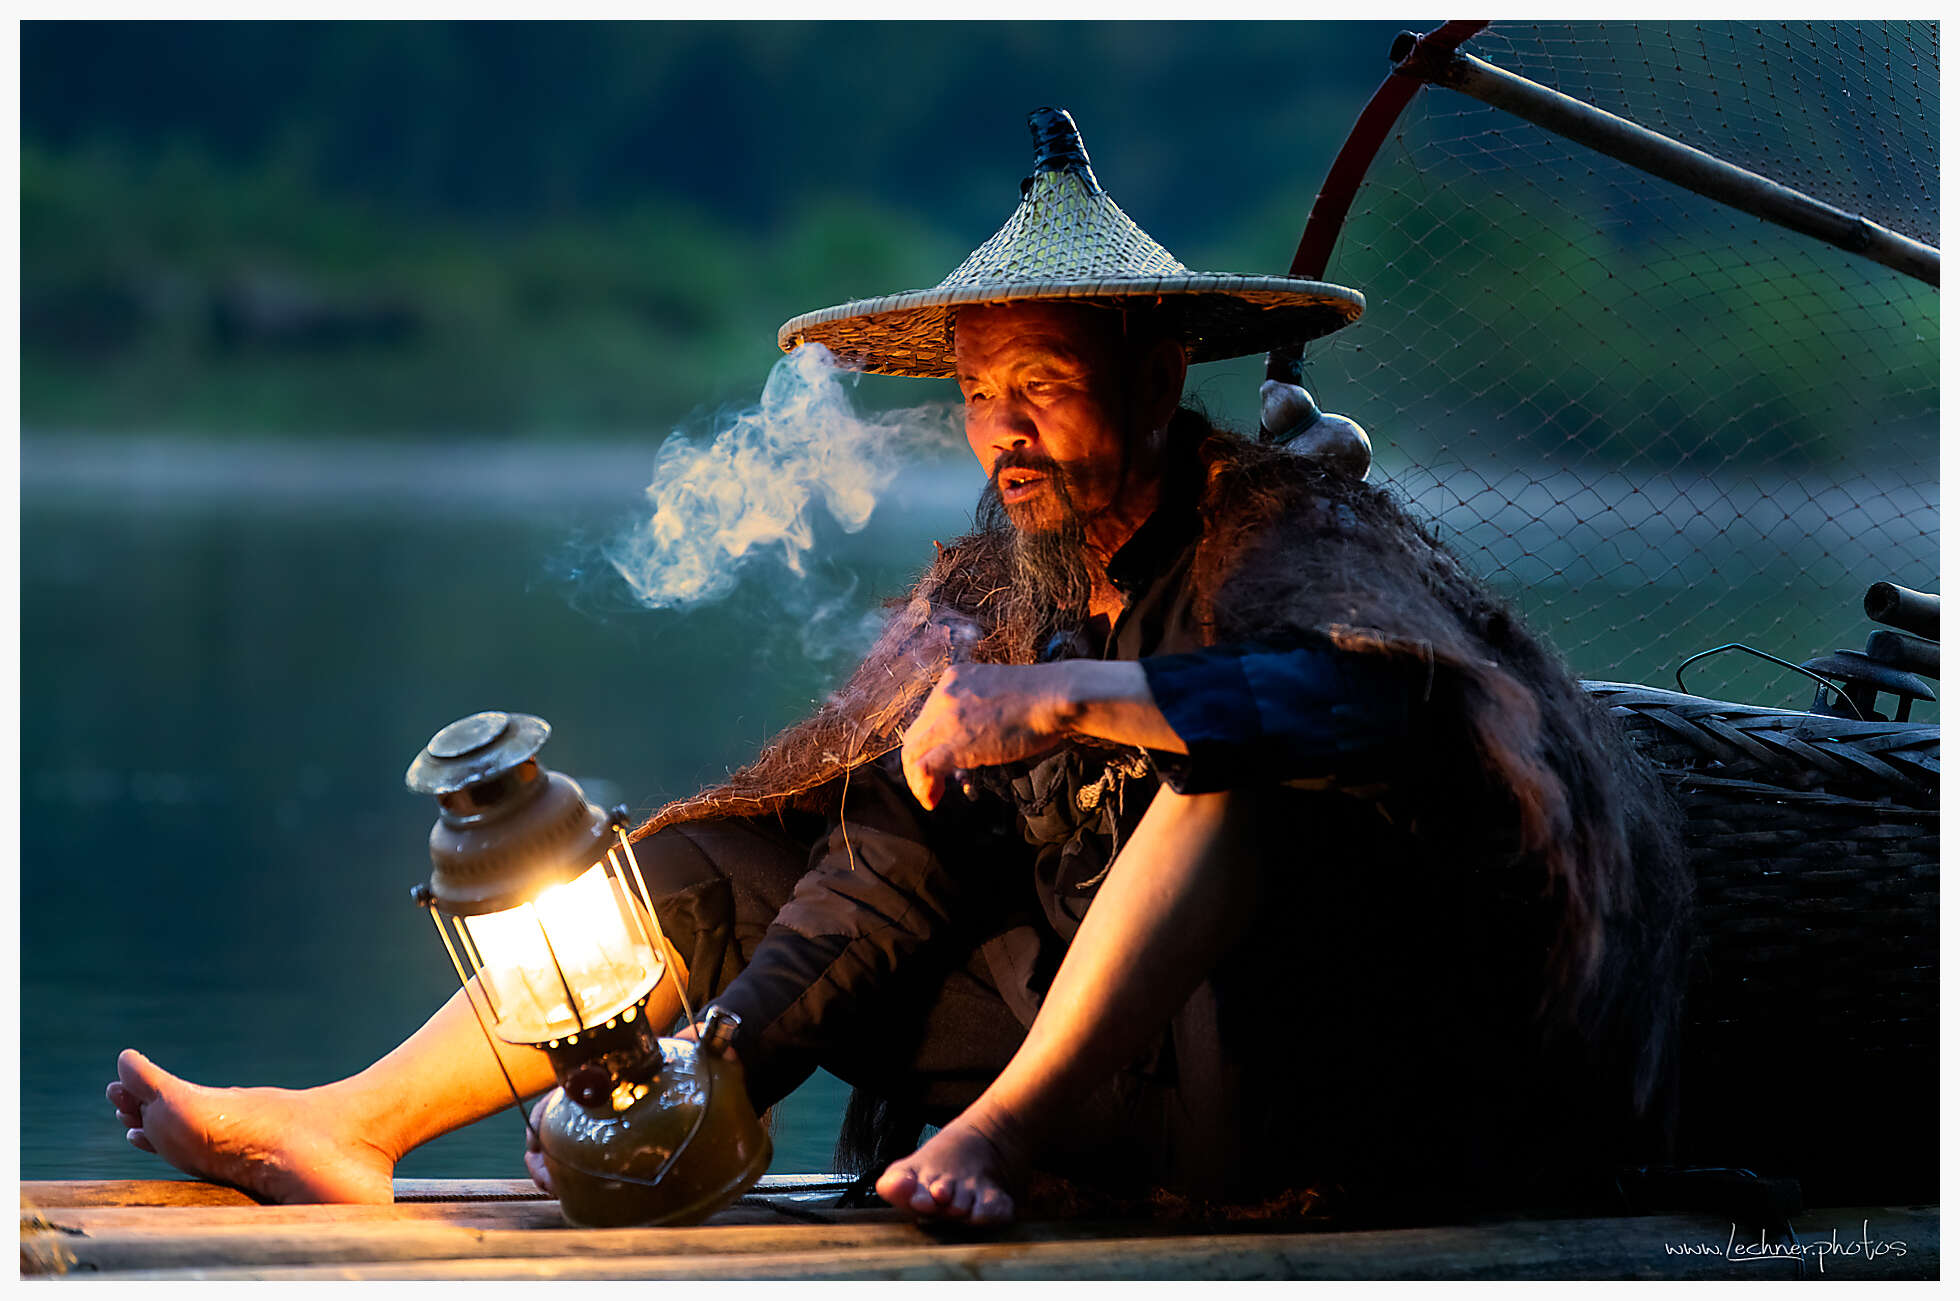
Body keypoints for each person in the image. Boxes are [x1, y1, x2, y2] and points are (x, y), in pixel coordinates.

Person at [109, 109, 1689, 1226]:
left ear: (1154, 377)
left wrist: (1066, 702)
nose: (1005, 426)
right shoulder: (1001, 585)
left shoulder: (1280, 529)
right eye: (986, 390)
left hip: (1287, 1069)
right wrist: (724, 1059)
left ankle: (1004, 1138)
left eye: (1048, 385)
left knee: (1234, 784)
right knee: (734, 853)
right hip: (1080, 1039)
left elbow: (1365, 703)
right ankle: (352, 1125)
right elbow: (897, 853)